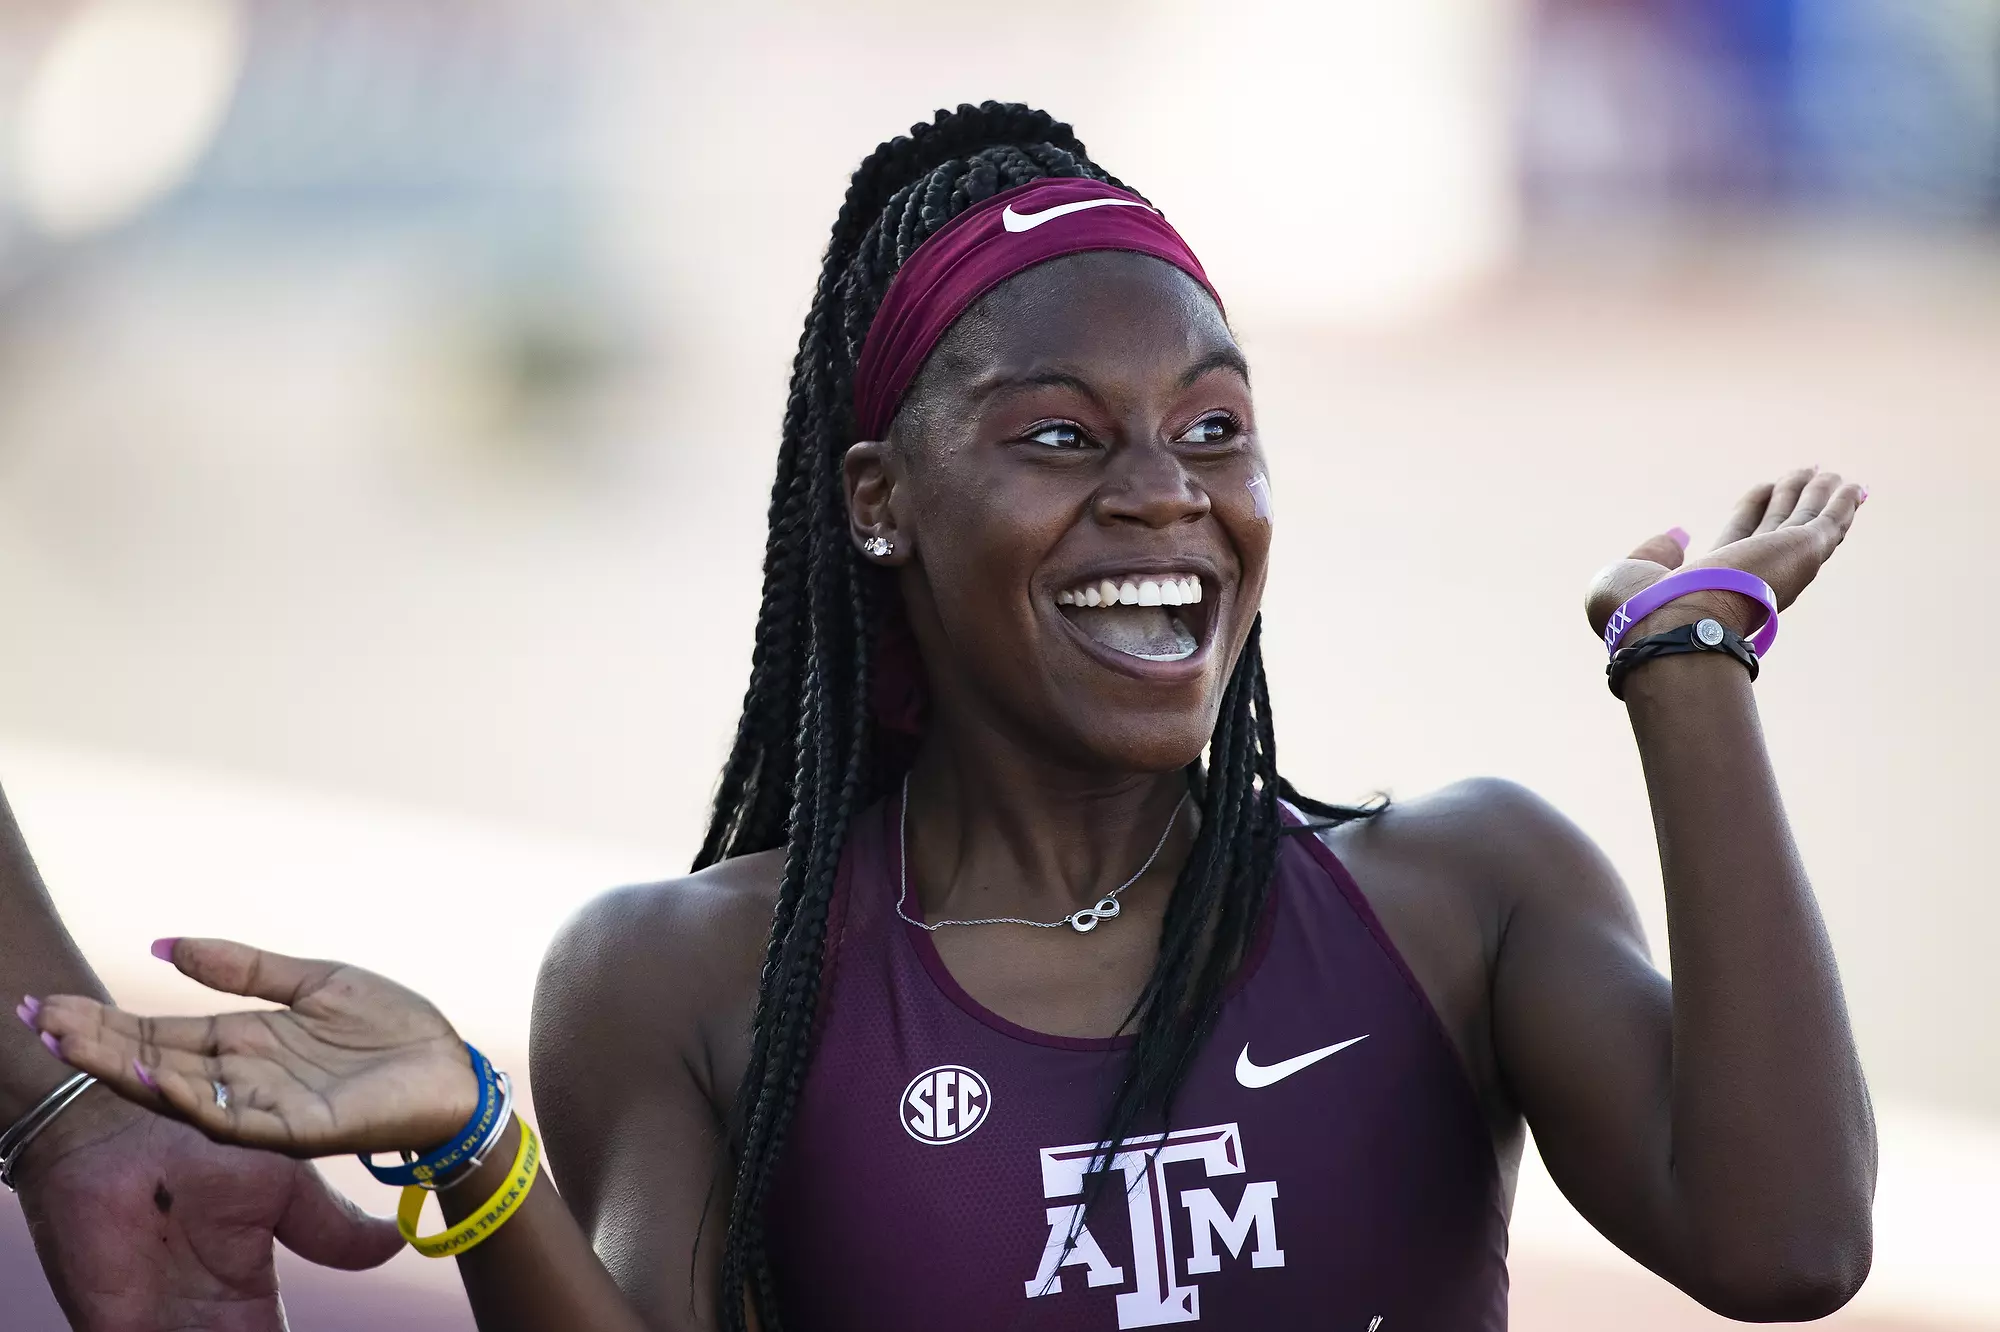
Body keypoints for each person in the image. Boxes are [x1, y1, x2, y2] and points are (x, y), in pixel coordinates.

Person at [13, 102, 1875, 1331]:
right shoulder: (694, 977)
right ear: (881, 500)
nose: (1166, 494)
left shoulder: (1466, 893)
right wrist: (483, 1168)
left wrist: (1687, 680)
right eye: (1063, 435)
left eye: (1215, 426)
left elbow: (1786, 1244)